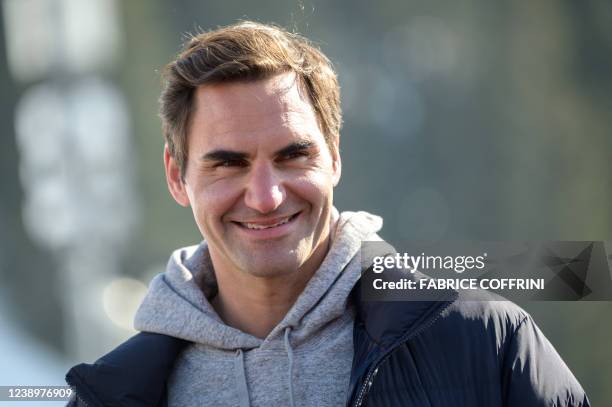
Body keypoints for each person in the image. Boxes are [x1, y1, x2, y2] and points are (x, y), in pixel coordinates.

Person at [65, 21, 590, 407]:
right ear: (177, 176)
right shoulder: (108, 396)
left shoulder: (485, 343)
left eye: (293, 156)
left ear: (335, 156)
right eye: (228, 164)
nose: (266, 197)